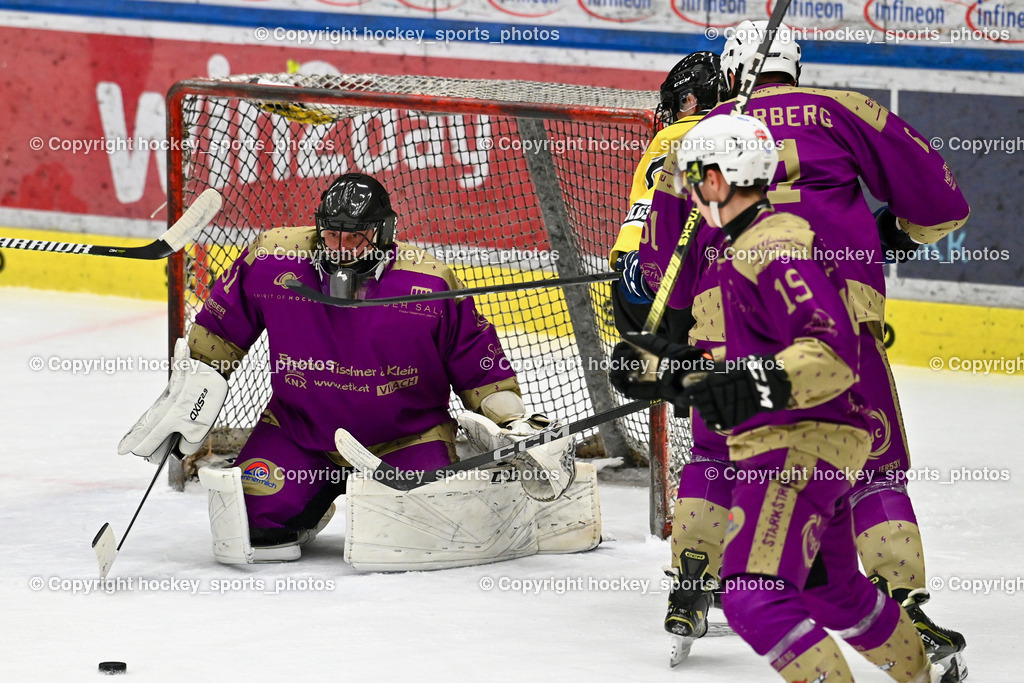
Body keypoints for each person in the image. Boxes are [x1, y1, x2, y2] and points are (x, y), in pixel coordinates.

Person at [623, 21, 969, 678]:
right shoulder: (844, 111)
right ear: (797, 68)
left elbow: (664, 262)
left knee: (720, 456)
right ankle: (903, 602)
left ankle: (692, 581)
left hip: (727, 328)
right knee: (874, 470)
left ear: (728, 74)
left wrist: (665, 347)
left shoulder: (695, 139)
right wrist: (880, 233)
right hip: (836, 328)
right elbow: (941, 204)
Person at [117, 172, 594, 569]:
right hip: (299, 434)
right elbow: (217, 334)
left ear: (383, 234)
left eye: (356, 236)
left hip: (405, 440)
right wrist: (188, 398)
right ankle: (313, 497)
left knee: (424, 535)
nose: (341, 247)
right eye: (332, 234)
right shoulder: (272, 261)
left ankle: (494, 483)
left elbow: (480, 367)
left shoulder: (428, 285)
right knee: (252, 526)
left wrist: (513, 423)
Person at [610, 51, 724, 339]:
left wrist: (631, 252)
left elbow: (655, 197)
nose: (671, 114)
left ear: (689, 100)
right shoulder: (749, 129)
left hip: (659, 272)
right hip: (726, 273)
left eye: (675, 104)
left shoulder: (667, 137)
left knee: (658, 368)